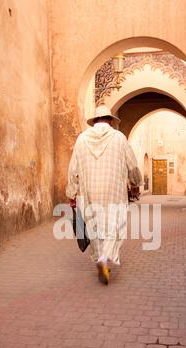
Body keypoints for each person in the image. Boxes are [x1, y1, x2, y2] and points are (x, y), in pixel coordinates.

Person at [66, 105, 142, 285]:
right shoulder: (119, 138)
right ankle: (105, 258)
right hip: (113, 192)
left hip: (89, 192)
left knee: (94, 228)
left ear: (95, 121)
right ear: (110, 120)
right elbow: (132, 165)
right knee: (113, 226)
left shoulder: (82, 139)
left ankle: (100, 258)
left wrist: (71, 193)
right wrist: (135, 185)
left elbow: (73, 169)